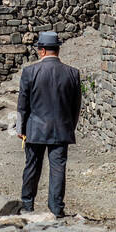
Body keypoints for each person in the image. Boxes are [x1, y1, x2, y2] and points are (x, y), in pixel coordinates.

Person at [17, 31, 81, 218]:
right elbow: (75, 106)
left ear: (42, 50)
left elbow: (23, 104)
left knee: (32, 167)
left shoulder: (30, 72)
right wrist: (70, 126)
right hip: (61, 128)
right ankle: (56, 208)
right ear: (58, 50)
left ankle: (27, 205)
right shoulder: (72, 73)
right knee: (58, 169)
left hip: (35, 128)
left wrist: (20, 129)